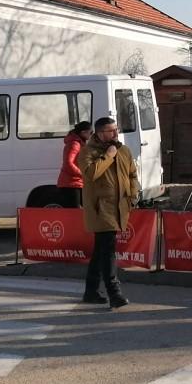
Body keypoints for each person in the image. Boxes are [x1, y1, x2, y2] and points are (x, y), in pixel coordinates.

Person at [79, 117, 138, 309]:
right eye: (110, 130)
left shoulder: (124, 150)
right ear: (99, 133)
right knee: (109, 250)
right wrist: (109, 155)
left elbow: (132, 175)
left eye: (116, 129)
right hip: (101, 209)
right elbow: (91, 173)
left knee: (101, 251)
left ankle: (91, 291)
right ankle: (115, 293)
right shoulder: (88, 151)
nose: (115, 133)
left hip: (120, 207)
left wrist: (133, 196)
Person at [55, 120, 92, 208]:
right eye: (91, 132)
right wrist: (82, 173)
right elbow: (68, 163)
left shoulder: (79, 143)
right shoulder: (74, 144)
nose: (91, 135)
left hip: (76, 182)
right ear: (83, 132)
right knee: (74, 211)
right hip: (71, 184)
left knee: (84, 209)